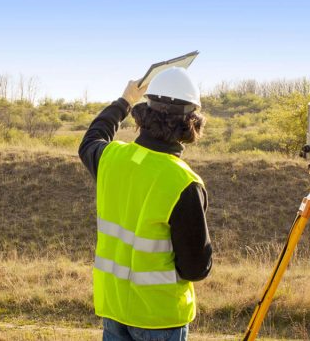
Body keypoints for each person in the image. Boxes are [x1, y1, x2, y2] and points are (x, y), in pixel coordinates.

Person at [78, 67, 212, 341]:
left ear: (144, 114)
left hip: (114, 308)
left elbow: (91, 139)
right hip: (160, 317)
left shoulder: (112, 158)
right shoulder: (184, 182)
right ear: (192, 122)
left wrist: (124, 100)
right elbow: (195, 268)